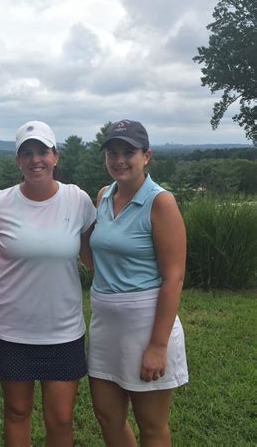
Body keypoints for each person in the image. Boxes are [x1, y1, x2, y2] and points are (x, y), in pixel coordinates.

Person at [0, 121, 96, 447]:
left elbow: (93, 257)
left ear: (56, 156)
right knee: (16, 412)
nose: (35, 159)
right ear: (18, 160)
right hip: (11, 331)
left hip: (64, 330)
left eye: (42, 151)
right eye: (27, 153)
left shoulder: (77, 200)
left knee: (62, 419)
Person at [87, 120, 188, 446]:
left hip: (146, 326)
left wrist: (157, 346)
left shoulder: (161, 203)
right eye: (112, 152)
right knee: (107, 416)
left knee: (151, 425)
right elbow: (95, 253)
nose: (119, 160)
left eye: (128, 152)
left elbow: (173, 278)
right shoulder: (103, 195)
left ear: (146, 156)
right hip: (105, 322)